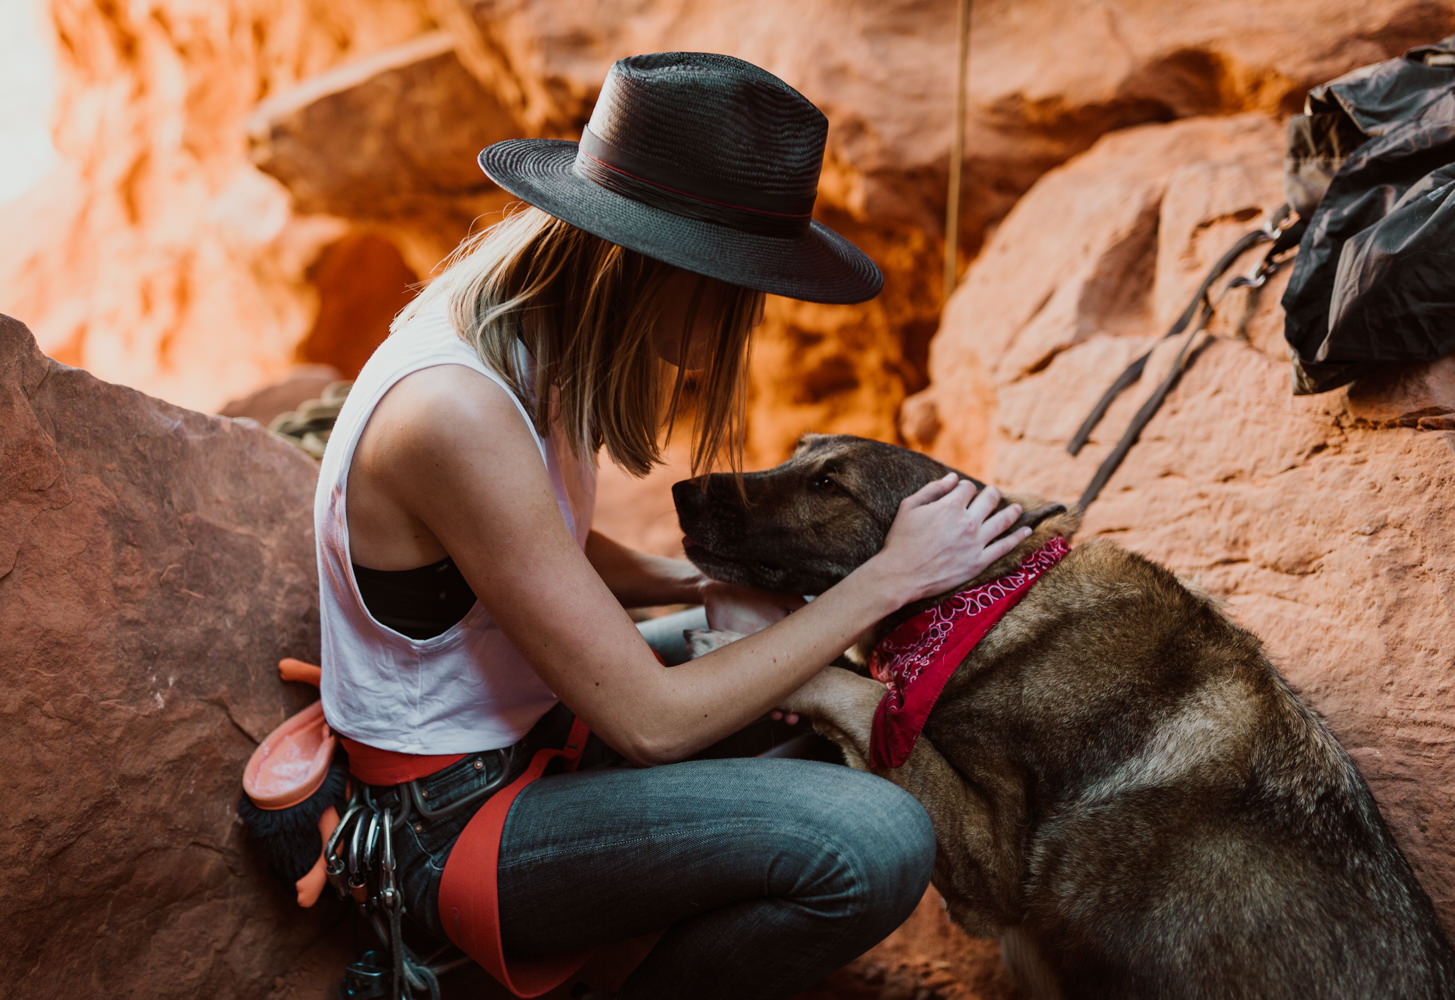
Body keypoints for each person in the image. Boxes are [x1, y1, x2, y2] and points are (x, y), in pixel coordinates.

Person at [313, 52, 1032, 999]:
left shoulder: (527, 335)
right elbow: (652, 727)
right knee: (878, 838)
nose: (751, 313)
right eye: (738, 281)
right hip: (451, 822)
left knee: (824, 706)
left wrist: (698, 586)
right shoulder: (456, 411)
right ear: (649, 258)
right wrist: (885, 581)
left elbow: (526, 545)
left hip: (535, 737)